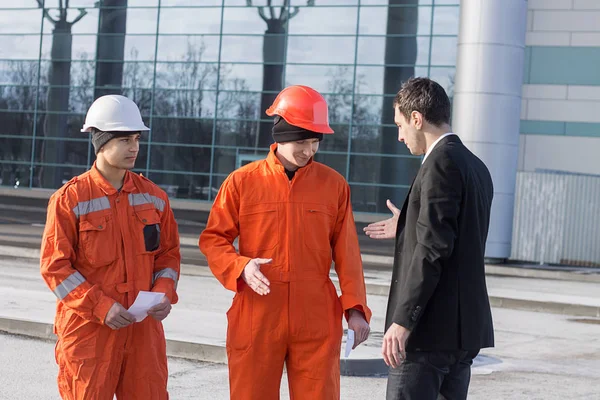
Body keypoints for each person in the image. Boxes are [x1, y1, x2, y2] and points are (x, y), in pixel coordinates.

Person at [199, 85, 372, 400]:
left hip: (316, 316)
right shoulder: (242, 182)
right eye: (301, 142)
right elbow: (214, 239)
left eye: (314, 142)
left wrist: (356, 309)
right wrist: (240, 266)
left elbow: (348, 254)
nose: (309, 150)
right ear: (280, 136)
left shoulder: (334, 186)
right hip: (258, 312)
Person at [40, 94, 181, 400]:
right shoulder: (70, 199)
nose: (134, 147)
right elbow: (55, 267)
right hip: (90, 332)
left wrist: (165, 293)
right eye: (124, 140)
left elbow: (168, 256)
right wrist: (101, 307)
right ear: (101, 143)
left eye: (136, 138)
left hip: (143, 333)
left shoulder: (154, 197)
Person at [364, 77, 495, 400]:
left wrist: (403, 321)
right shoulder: (475, 166)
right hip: (462, 334)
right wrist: (409, 223)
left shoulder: (440, 164)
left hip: (429, 335)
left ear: (417, 119)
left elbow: (433, 248)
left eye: (400, 125)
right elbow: (456, 234)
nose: (399, 136)